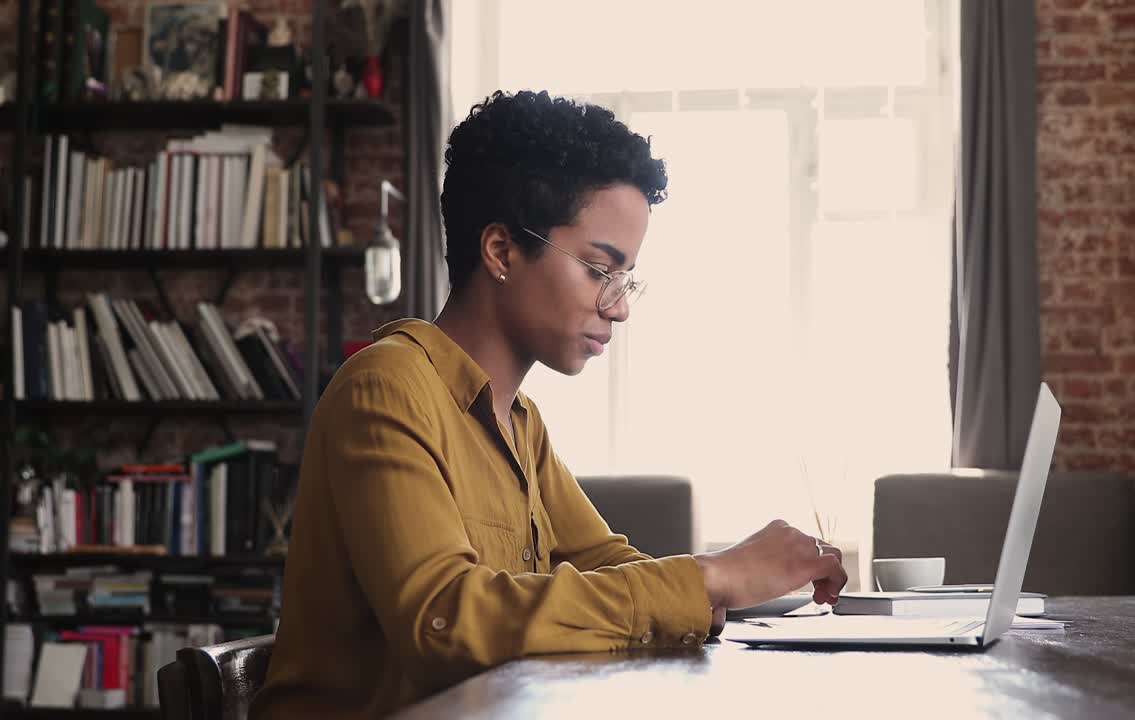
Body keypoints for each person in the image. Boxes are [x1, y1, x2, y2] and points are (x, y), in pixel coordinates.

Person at [250, 90, 846, 720]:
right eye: (598, 270)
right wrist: (709, 579)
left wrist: (737, 576)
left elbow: (608, 564)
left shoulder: (521, 423)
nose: (618, 306)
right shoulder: (385, 389)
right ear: (502, 251)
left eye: (627, 279)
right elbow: (444, 621)